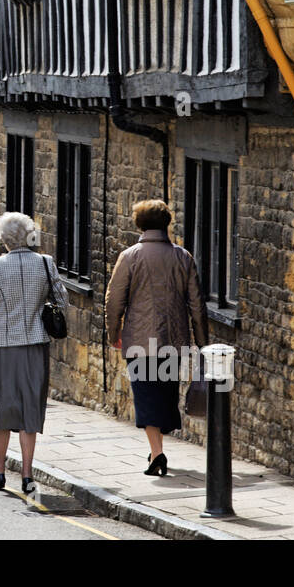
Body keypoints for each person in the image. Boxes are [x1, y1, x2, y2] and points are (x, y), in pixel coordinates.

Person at [105, 199, 207, 477]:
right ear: (166, 224)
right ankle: (156, 451)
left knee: (147, 396)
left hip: (139, 341)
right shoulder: (183, 257)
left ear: (140, 225)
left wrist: (114, 333)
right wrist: (201, 340)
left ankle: (157, 454)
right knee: (164, 394)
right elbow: (196, 303)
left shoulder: (130, 256)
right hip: (172, 340)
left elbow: (115, 300)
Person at [0, 212, 67, 494]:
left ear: (4, 240)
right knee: (31, 407)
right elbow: (62, 300)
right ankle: (27, 475)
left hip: (2, 343)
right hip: (36, 342)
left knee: (4, 404)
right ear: (29, 236)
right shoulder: (45, 263)